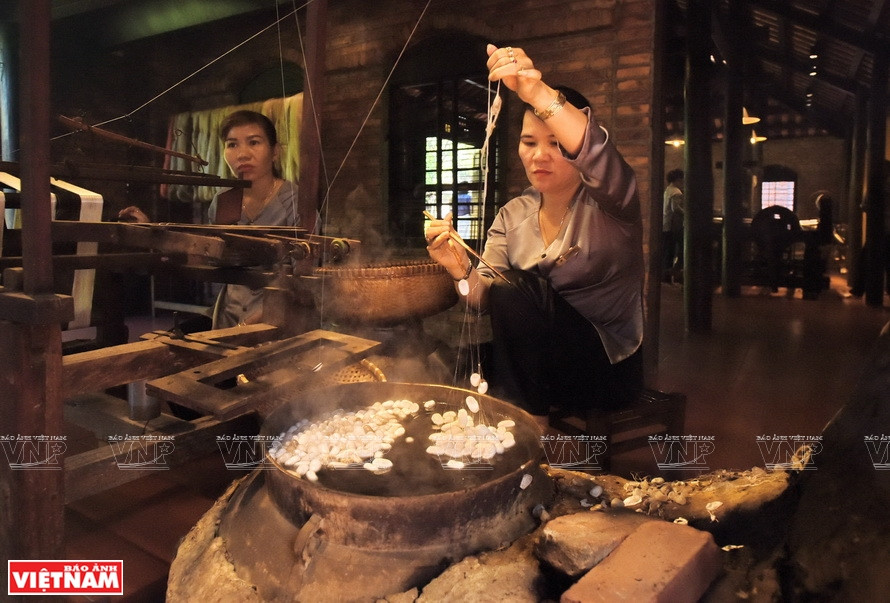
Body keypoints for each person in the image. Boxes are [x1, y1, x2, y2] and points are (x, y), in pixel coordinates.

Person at [425, 44, 644, 431]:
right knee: (445, 362)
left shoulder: (613, 203)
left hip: (604, 369)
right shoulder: (513, 215)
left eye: (556, 144)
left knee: (517, 288)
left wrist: (535, 93)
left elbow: (598, 153)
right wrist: (459, 270)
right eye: (529, 142)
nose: (539, 155)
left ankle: (530, 434)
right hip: (540, 365)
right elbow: (480, 300)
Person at [119, 109, 317, 329]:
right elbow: (207, 257)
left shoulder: (297, 202)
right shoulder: (223, 202)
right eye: (232, 144)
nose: (242, 154)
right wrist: (152, 233)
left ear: (275, 152)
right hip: (228, 317)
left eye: (254, 142)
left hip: (278, 322)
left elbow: (305, 280)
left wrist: (254, 323)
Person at [662, 168, 684, 283]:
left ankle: (664, 277)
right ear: (678, 179)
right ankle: (668, 276)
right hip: (671, 225)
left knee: (666, 251)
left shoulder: (668, 190)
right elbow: (675, 208)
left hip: (664, 223)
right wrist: (687, 214)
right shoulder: (676, 192)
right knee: (671, 252)